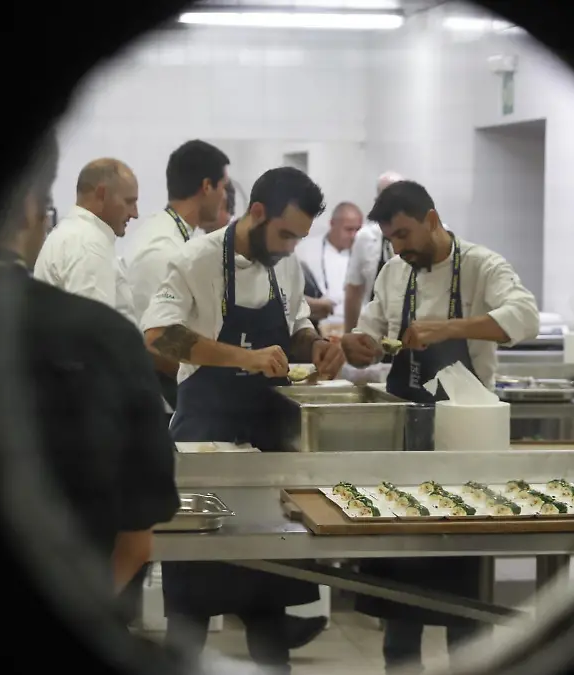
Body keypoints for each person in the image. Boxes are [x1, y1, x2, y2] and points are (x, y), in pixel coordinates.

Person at [140, 166, 345, 674]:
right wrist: (243, 357)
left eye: (301, 236)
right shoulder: (197, 259)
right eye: (286, 233)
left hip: (266, 446)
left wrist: (317, 345)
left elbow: (296, 325)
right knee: (191, 603)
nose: (293, 245)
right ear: (257, 212)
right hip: (204, 444)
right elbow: (158, 336)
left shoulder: (288, 267)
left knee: (267, 600)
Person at [0, 132, 181, 645]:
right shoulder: (89, 255)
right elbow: (136, 539)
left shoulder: (76, 239)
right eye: (130, 200)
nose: (137, 212)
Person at [339, 181, 540, 674]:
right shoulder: (394, 270)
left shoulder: (480, 265)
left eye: (406, 234)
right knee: (400, 587)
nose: (401, 248)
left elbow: (524, 318)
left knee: (462, 593)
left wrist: (449, 327)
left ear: (432, 219)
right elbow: (370, 327)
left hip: (467, 446)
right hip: (405, 439)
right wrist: (358, 343)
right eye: (392, 240)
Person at [122, 140, 231, 410]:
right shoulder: (161, 248)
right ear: (207, 187)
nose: (225, 197)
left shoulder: (178, 238)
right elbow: (158, 343)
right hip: (156, 401)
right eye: (223, 187)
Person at [33, 158, 140, 321]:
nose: (135, 213)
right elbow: (94, 334)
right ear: (102, 194)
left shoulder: (74, 235)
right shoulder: (89, 245)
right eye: (129, 202)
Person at [343, 170, 403, 333]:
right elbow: (354, 291)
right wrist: (349, 335)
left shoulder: (419, 235)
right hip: (372, 328)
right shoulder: (365, 237)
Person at [296, 201, 363, 333]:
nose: (354, 235)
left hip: (358, 326)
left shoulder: (366, 253)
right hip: (319, 325)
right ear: (332, 224)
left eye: (358, 229)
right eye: (349, 229)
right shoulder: (305, 250)